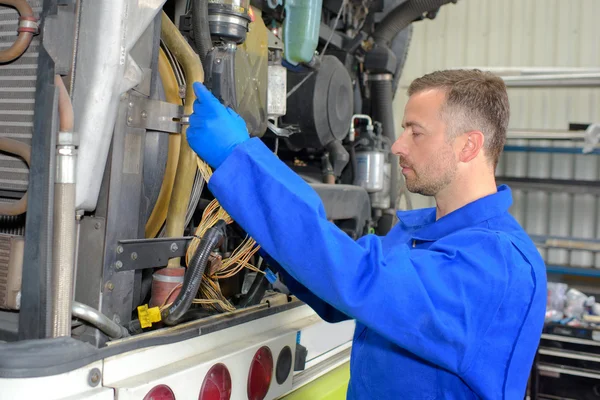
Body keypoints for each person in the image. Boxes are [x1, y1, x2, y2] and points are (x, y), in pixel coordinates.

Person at [186, 69, 548, 399]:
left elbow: (358, 280)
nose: (397, 145)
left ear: (468, 146)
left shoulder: (496, 263)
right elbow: (338, 294)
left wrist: (241, 161)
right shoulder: (421, 236)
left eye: (415, 132)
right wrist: (256, 219)